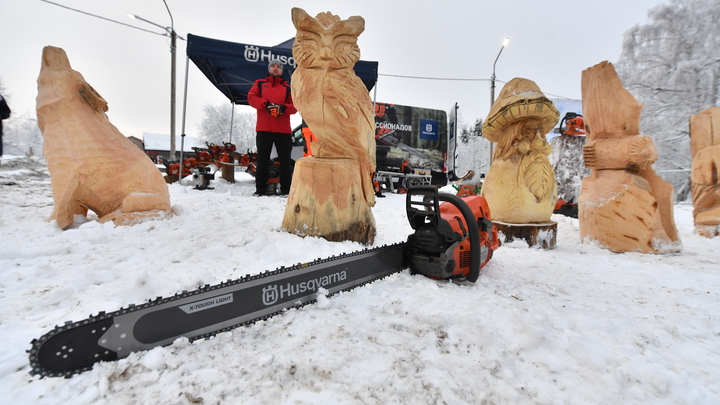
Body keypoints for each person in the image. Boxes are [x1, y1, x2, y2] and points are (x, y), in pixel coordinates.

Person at [247, 59, 297, 195]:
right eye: (273, 66)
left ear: (282, 70)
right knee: (262, 159)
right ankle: (260, 190)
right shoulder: (260, 84)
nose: (275, 69)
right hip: (264, 129)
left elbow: (295, 106)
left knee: (285, 161)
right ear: (269, 69)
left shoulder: (289, 88)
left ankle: (286, 190)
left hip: (283, 130)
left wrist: (282, 108)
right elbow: (251, 98)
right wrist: (266, 104)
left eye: (278, 67)